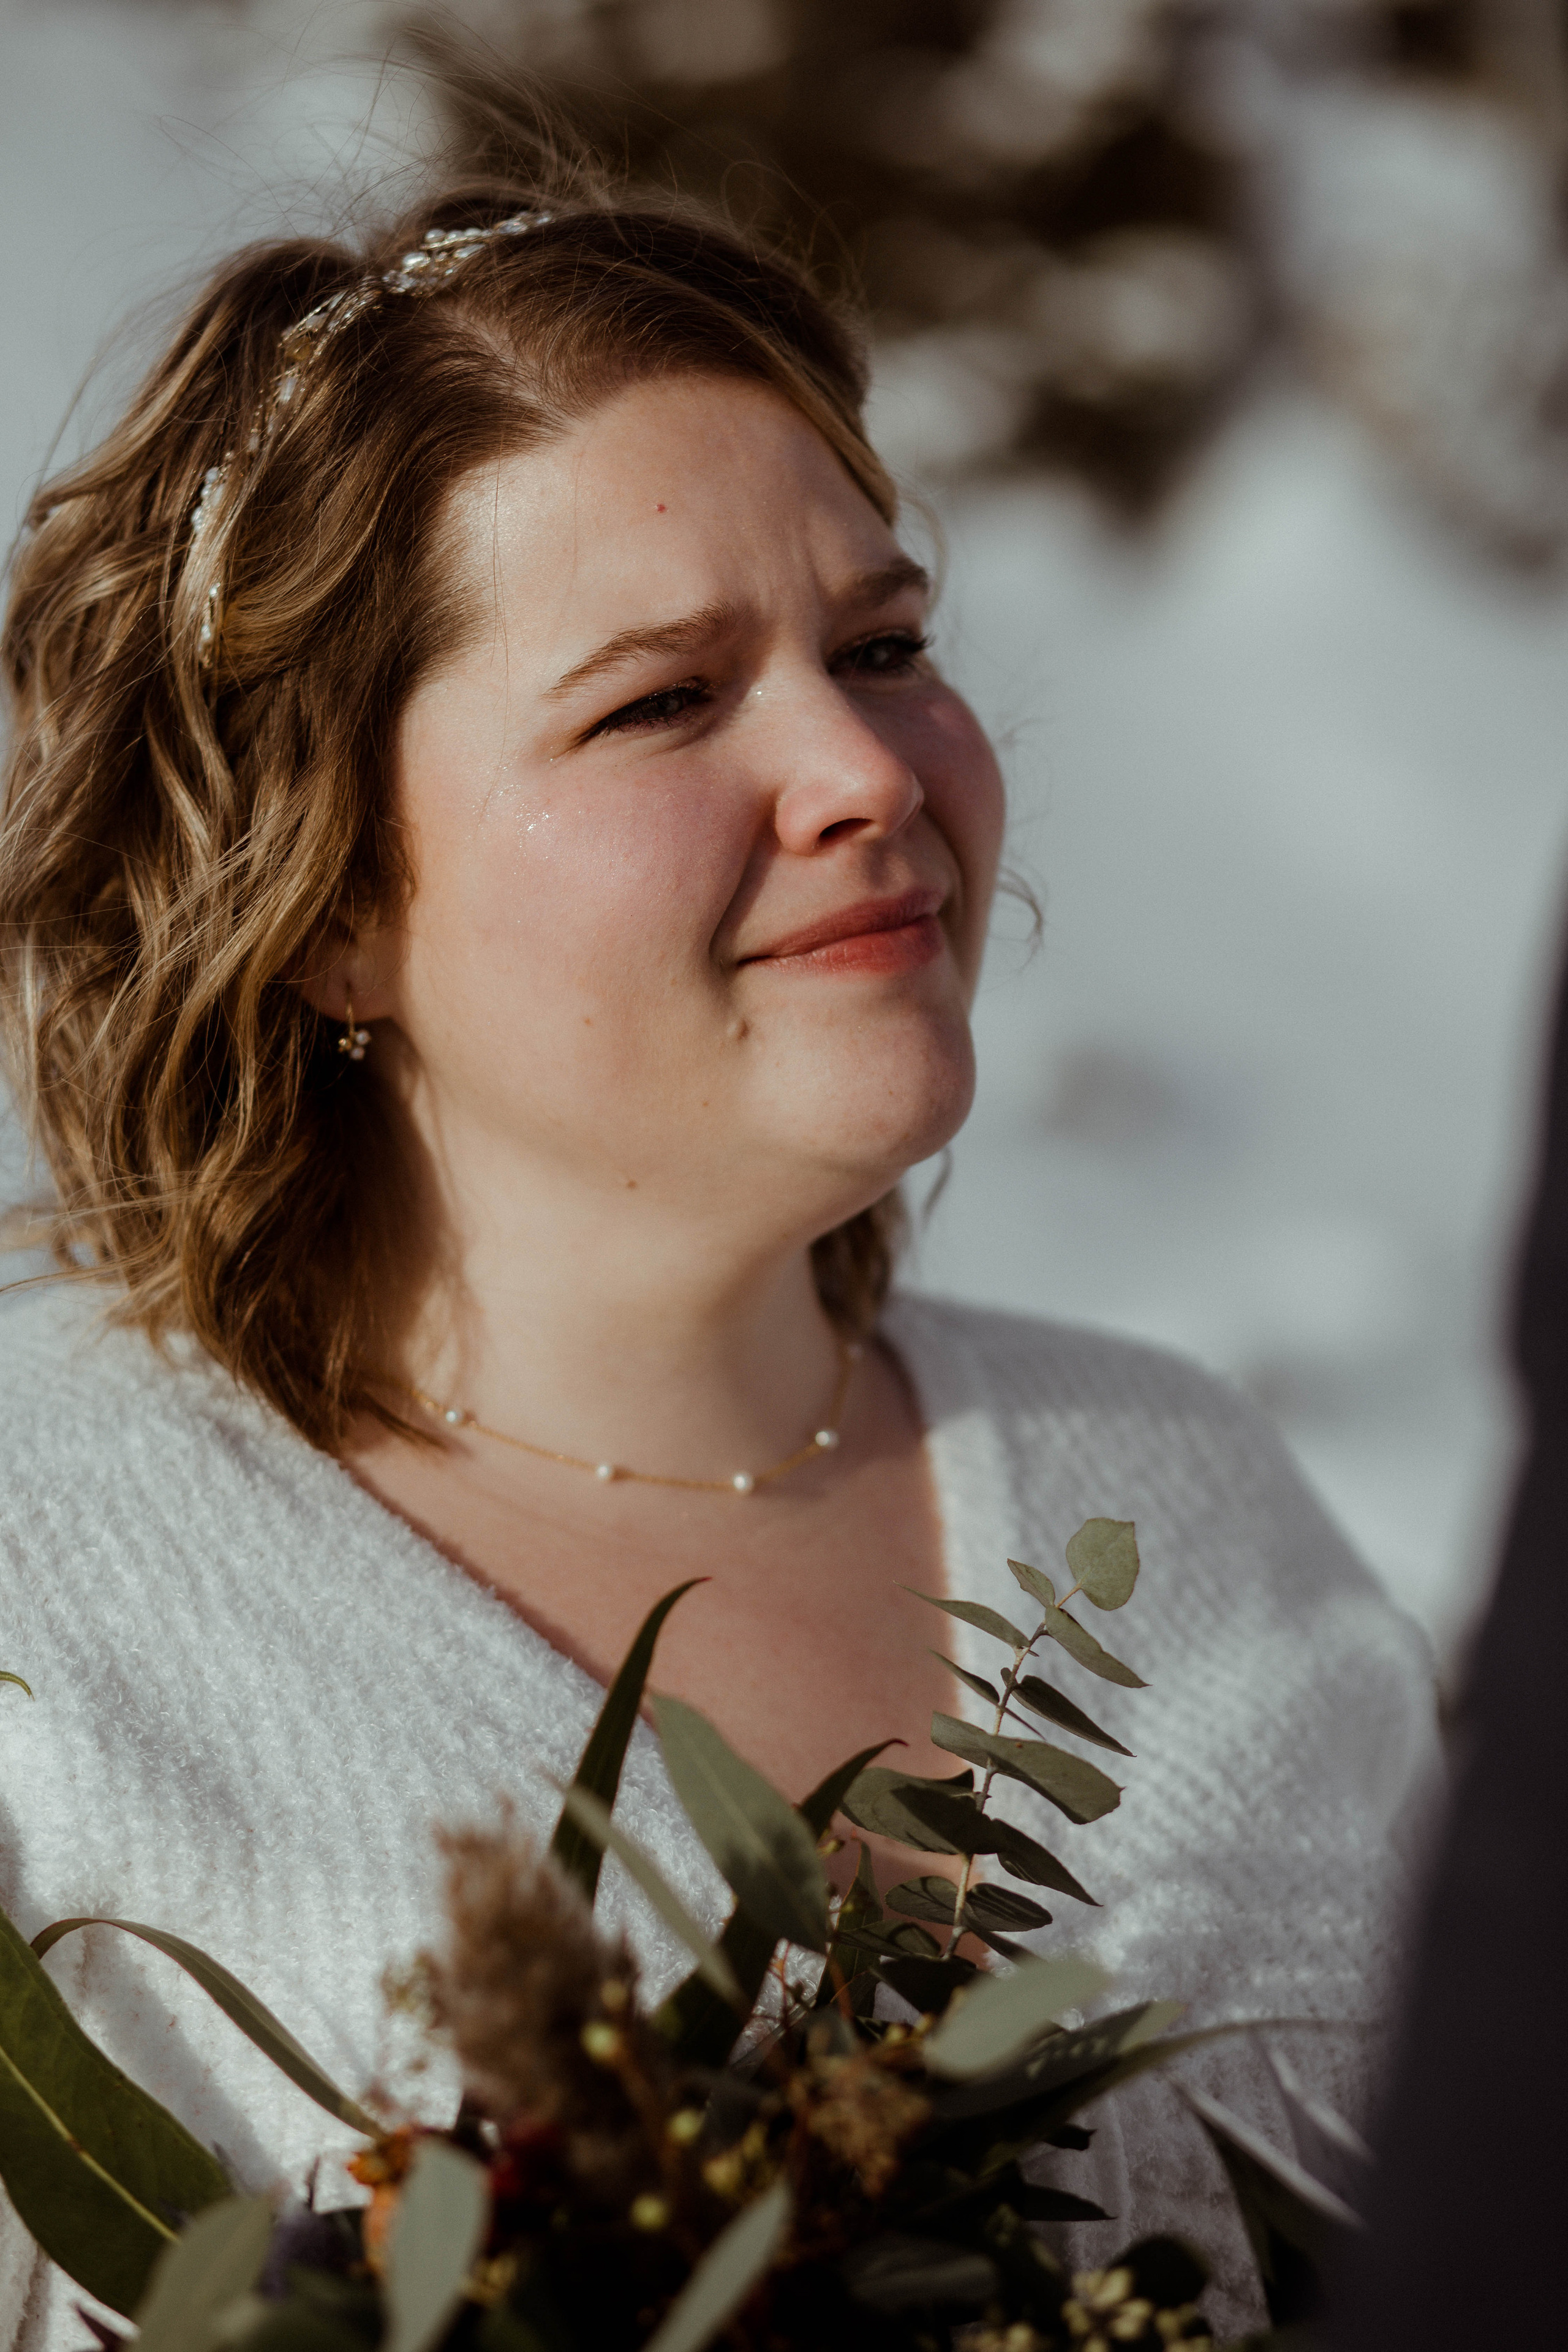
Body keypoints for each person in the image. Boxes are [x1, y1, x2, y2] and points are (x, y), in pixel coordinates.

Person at [0, 164, 1436, 2347]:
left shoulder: (1199, 1517)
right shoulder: (51, 1608)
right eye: (663, 701)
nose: (864, 768)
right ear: (321, 901)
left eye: (884, 647)